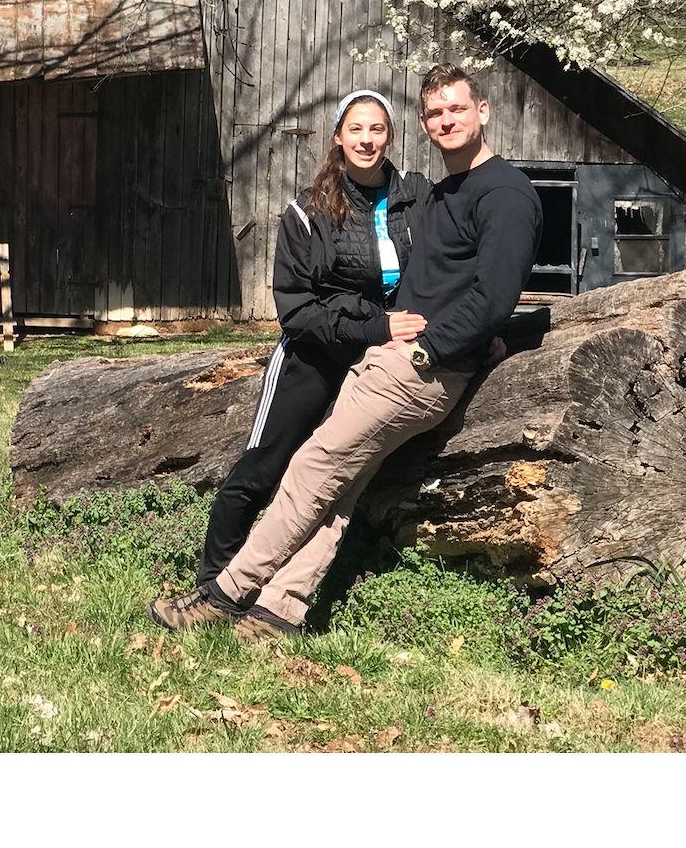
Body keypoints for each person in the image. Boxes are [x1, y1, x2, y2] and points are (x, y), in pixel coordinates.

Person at [149, 63, 543, 638]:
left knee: (315, 466)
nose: (445, 121)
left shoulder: (505, 193)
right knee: (340, 486)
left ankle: (224, 593)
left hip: (417, 369)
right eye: (434, 113)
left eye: (457, 108)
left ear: (483, 111)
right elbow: (454, 286)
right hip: (385, 356)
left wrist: (434, 350)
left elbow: (494, 294)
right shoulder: (440, 192)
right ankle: (278, 610)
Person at [162, 88, 429, 620]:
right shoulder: (306, 212)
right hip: (314, 354)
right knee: (264, 466)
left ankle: (279, 593)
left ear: (391, 136)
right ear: (337, 136)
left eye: (377, 129)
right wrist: (376, 325)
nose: (367, 139)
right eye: (356, 129)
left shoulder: (416, 199)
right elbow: (297, 311)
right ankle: (214, 585)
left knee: (330, 474)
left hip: (383, 360)